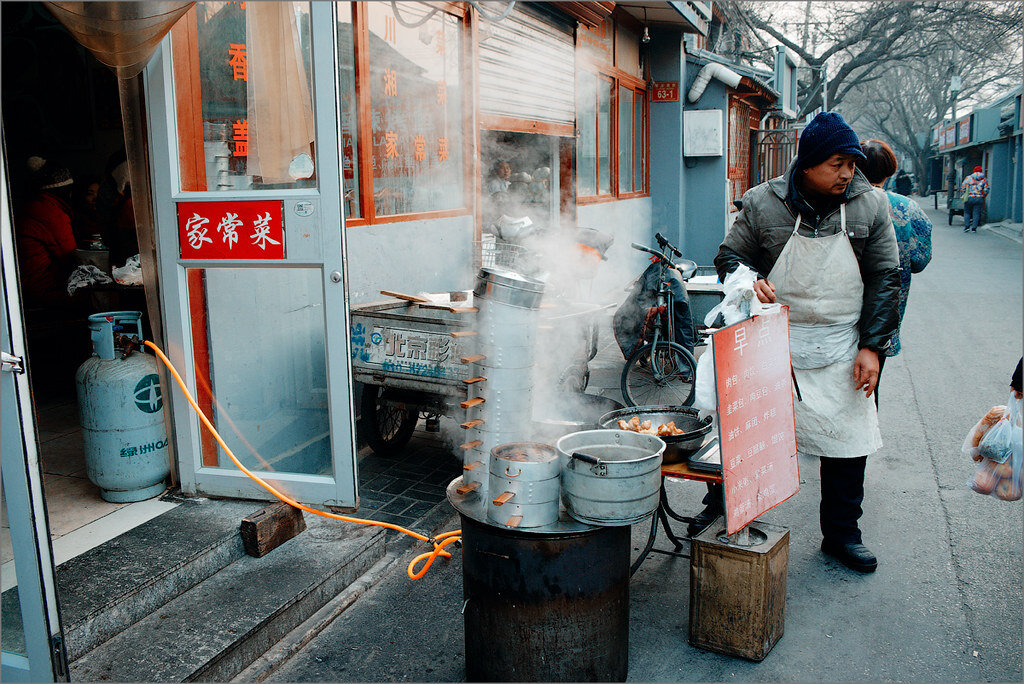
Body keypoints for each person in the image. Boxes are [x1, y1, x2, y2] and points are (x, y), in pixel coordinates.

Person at [712, 112, 900, 573]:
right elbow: (728, 257)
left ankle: (842, 535)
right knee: (745, 439)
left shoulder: (871, 206)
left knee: (847, 445)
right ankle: (724, 514)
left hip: (842, 345)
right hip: (771, 343)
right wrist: (748, 280)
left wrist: (873, 346)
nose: (847, 173)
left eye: (852, 164)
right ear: (809, 161)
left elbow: (886, 277)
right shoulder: (763, 203)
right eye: (837, 163)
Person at [858, 140, 933, 407]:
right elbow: (921, 259)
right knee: (870, 382)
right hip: (886, 312)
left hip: (842, 309)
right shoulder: (907, 209)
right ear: (889, 171)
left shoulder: (844, 203)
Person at [15, 156, 78, 308]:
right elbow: (70, 255)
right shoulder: (50, 213)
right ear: (63, 190)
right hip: (44, 290)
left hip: (26, 286)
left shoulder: (37, 207)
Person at [960, 165, 989, 233]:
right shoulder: (984, 179)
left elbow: (963, 188)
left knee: (967, 212)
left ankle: (967, 227)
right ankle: (974, 228)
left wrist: (964, 194)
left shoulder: (968, 178)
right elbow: (986, 190)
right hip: (979, 198)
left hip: (969, 198)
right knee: (976, 213)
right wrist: (983, 196)